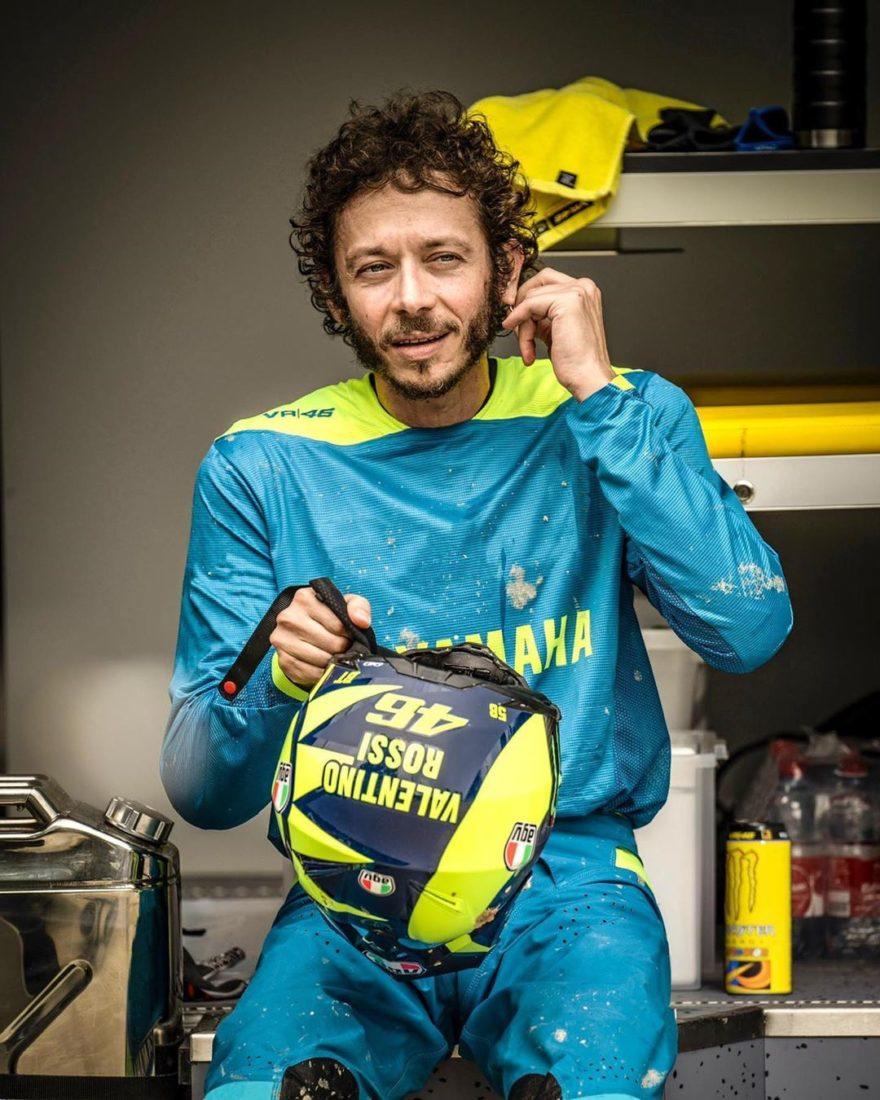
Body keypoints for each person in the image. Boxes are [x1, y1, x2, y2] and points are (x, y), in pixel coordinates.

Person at [161, 90, 793, 1100]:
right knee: (262, 1087)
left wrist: (600, 399)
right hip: (350, 898)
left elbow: (748, 628)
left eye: (444, 258)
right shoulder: (262, 464)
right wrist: (277, 677)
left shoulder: (620, 412)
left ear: (509, 269)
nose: (411, 299)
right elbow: (201, 789)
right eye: (374, 268)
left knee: (593, 1080)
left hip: (568, 887)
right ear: (335, 291)